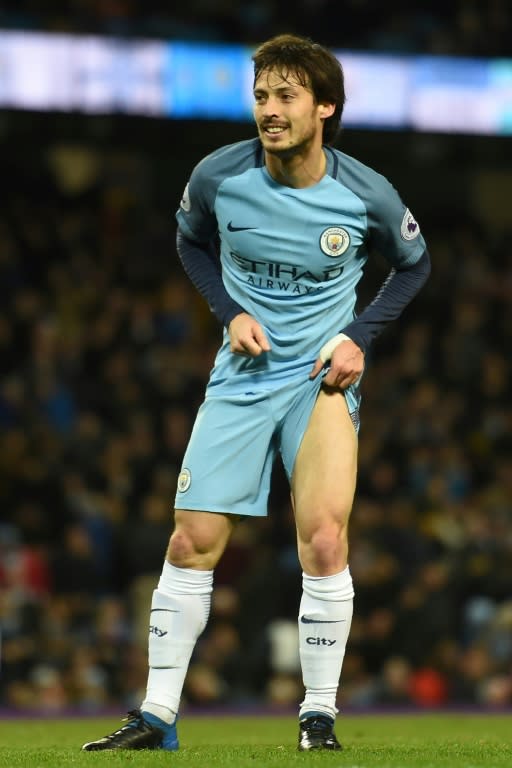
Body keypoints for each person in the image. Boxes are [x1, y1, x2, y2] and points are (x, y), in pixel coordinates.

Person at [82, 32, 430, 753]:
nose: (270, 110)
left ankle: (318, 717)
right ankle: (155, 717)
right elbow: (189, 242)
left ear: (324, 107)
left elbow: (414, 265)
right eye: (262, 96)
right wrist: (229, 311)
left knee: (326, 541)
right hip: (241, 379)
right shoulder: (217, 176)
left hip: (319, 383)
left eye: (287, 96)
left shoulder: (366, 193)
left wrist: (359, 337)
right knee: (190, 539)